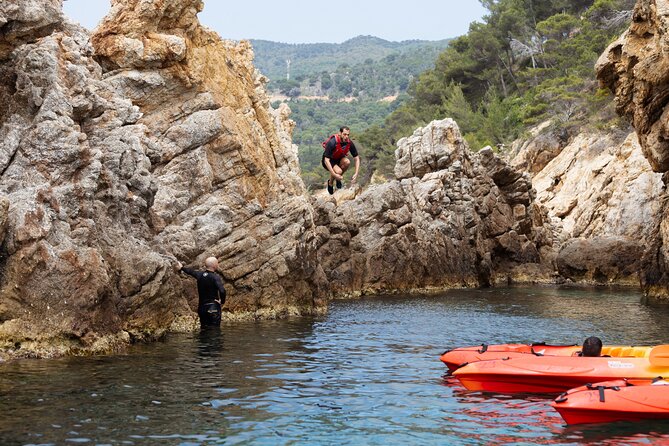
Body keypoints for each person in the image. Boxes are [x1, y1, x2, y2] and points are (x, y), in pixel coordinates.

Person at [175, 257, 226, 328]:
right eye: (217, 263)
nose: (218, 264)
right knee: (214, 331)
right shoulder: (215, 277)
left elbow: (190, 271)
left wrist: (182, 268)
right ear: (214, 265)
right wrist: (222, 301)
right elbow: (222, 290)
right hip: (213, 307)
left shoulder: (200, 274)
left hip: (202, 308)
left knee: (204, 329)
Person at [322, 126, 360, 195]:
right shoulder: (333, 142)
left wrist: (356, 173)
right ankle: (330, 183)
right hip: (329, 161)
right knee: (338, 171)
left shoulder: (349, 143)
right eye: (344, 134)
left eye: (348, 135)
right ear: (340, 133)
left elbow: (356, 158)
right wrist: (334, 174)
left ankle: (337, 178)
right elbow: (326, 160)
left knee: (347, 162)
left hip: (339, 158)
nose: (346, 136)